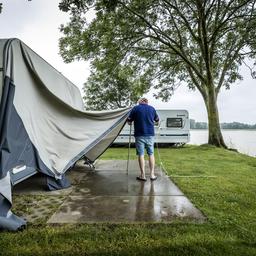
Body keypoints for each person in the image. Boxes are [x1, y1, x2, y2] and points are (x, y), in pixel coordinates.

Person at [127, 98, 159, 181]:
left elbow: (129, 120)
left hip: (139, 135)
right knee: (151, 154)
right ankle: (152, 175)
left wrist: (130, 122)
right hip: (150, 135)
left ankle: (143, 175)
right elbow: (157, 120)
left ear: (140, 102)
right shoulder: (152, 108)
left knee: (141, 154)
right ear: (147, 102)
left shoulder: (136, 108)